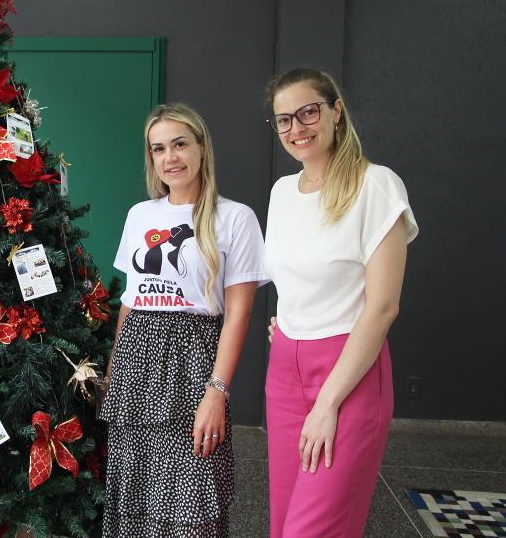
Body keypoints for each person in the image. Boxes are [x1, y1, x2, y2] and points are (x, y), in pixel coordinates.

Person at [262, 68, 418, 537]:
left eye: (308, 112)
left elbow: (384, 306)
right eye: (283, 119)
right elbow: (294, 275)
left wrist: (329, 401)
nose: (296, 128)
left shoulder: (376, 185)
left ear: (336, 111)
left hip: (347, 374)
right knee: (283, 523)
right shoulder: (282, 192)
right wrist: (289, 325)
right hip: (284, 371)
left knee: (313, 531)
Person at [100, 103, 268, 537]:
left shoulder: (235, 217)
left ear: (201, 147)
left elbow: (239, 315)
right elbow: (130, 300)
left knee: (192, 489)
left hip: (193, 361)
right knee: (135, 484)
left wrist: (217, 393)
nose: (170, 157)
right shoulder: (141, 215)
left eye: (179, 144)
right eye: (159, 149)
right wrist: (114, 371)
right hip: (137, 358)